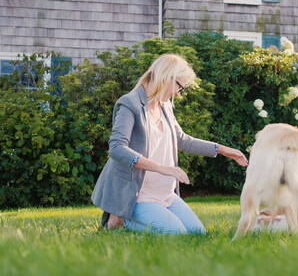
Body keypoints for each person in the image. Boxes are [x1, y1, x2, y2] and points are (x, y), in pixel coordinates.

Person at [91, 54, 248, 234]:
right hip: (138, 196)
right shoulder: (130, 104)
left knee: (197, 233)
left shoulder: (164, 105)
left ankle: (129, 220)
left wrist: (222, 150)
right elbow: (117, 149)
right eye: (179, 86)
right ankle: (121, 221)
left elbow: (181, 139)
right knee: (178, 234)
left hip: (165, 194)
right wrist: (162, 168)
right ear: (166, 77)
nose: (178, 93)